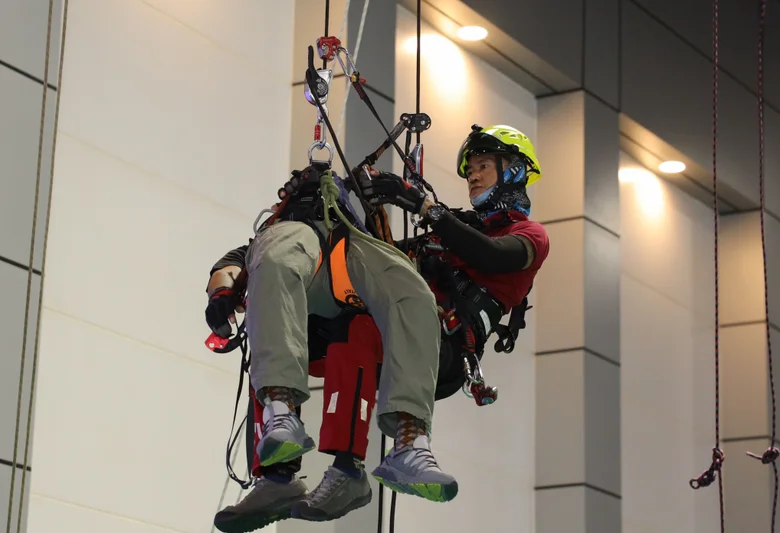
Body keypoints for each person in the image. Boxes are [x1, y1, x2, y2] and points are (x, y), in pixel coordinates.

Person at [214, 124, 550, 529]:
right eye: (470, 169)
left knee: (360, 329)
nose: (473, 176)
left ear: (514, 169)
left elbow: (492, 256)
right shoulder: (449, 232)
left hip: (439, 351)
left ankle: (355, 466)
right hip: (397, 334)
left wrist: (420, 204)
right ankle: (277, 473)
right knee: (277, 318)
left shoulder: (528, 236)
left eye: (483, 166)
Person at [206, 163, 459, 533]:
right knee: (275, 263)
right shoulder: (268, 246)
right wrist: (221, 295)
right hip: (302, 327)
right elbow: (227, 271)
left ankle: (409, 440)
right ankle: (280, 426)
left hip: (343, 296)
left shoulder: (358, 242)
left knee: (412, 292)